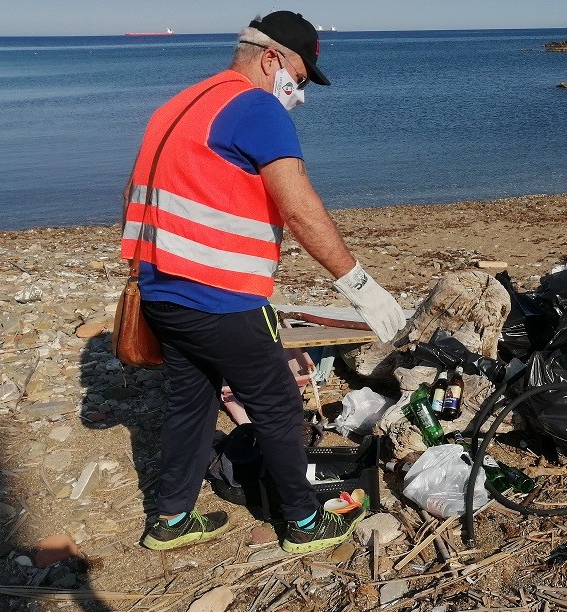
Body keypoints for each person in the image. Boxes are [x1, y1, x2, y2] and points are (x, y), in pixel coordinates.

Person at [121, 11, 405, 554]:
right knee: (276, 406)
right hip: (219, 296)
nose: (299, 91)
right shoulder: (255, 106)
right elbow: (298, 207)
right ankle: (303, 521)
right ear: (271, 59)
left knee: (191, 403)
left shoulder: (178, 104)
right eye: (298, 76)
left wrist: (142, 269)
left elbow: (138, 191)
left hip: (161, 289)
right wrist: (358, 283)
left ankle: (171, 518)